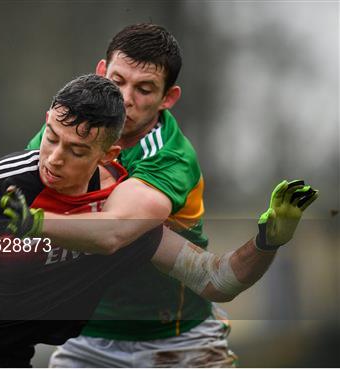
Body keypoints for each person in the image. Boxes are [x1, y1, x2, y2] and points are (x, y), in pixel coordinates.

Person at [0, 74, 317, 367]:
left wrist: (270, 238)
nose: (53, 158)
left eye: (76, 150)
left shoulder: (122, 217)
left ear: (110, 151)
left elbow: (217, 280)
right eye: (52, 137)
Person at [23, 23, 287, 367]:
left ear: (168, 98)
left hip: (177, 342)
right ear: (101, 72)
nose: (125, 99)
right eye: (117, 82)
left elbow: (115, 231)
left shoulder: (171, 157)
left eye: (144, 89)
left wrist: (38, 219)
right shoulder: (64, 132)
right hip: (89, 337)